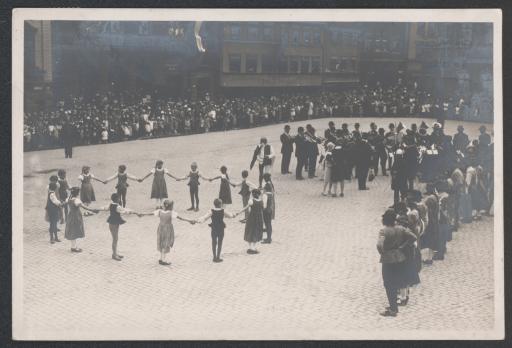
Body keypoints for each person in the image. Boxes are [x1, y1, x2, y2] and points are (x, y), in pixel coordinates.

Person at [377, 209, 417, 317]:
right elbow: (413, 237)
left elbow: (379, 245)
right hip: (400, 257)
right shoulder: (401, 228)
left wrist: (383, 253)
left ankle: (393, 309)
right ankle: (394, 305)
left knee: (388, 283)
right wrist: (402, 246)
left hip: (388, 259)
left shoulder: (383, 231)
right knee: (396, 281)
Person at [139, 199, 195, 266]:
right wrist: (190, 221)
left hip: (160, 228)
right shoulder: (171, 213)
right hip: (168, 230)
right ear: (170, 206)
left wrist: (142, 214)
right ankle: (163, 260)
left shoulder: (159, 211)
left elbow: (150, 213)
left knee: (161, 242)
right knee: (166, 243)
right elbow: (181, 218)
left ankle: (161, 258)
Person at [196, 198, 242, 262]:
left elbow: (205, 217)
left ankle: (214, 257)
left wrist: (198, 220)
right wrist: (235, 214)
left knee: (214, 242)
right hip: (221, 228)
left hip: (214, 228)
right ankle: (218, 257)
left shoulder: (211, 211)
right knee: (220, 242)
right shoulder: (223, 211)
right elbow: (230, 216)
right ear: (220, 204)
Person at [98, 193, 140, 261]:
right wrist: (135, 212)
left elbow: (104, 208)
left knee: (115, 239)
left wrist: (97, 209)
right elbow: (125, 211)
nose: (119, 199)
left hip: (113, 223)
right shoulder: (118, 207)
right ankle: (114, 255)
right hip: (114, 224)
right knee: (115, 239)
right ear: (117, 199)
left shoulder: (111, 204)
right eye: (119, 198)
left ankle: (115, 253)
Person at [64, 187, 98, 253]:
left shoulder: (68, 198)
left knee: (72, 230)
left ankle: (73, 246)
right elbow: (84, 207)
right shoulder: (77, 200)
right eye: (78, 192)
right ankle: (73, 247)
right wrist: (92, 210)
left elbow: (64, 203)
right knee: (75, 230)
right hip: (76, 216)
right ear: (77, 193)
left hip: (70, 215)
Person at [241, 189, 266, 254]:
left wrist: (238, 213)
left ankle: (250, 247)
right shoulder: (261, 201)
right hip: (259, 218)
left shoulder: (251, 200)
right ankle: (253, 247)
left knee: (250, 230)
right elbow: (263, 208)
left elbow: (246, 208)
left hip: (251, 217)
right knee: (256, 231)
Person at [262, 173, 276, 244]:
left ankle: (268, 239)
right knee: (269, 224)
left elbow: (264, 205)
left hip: (266, 210)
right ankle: (269, 237)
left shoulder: (265, 195)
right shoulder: (270, 192)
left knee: (267, 224)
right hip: (270, 209)